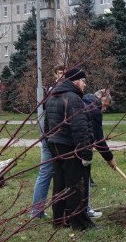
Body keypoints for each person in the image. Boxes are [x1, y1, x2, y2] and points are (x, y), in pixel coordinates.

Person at [43, 67, 94, 230]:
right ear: (75, 81)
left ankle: (59, 220)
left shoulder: (52, 96)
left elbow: (46, 126)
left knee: (60, 183)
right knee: (76, 185)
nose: (85, 85)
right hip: (70, 147)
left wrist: (49, 141)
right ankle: (80, 223)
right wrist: (86, 154)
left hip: (54, 145)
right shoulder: (73, 98)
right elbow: (80, 128)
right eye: (83, 81)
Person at [29, 65, 66, 219]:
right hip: (52, 139)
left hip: (51, 137)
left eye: (65, 74)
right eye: (60, 73)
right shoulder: (54, 93)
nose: (63, 76)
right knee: (46, 173)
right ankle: (37, 211)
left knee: (48, 173)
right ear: (55, 75)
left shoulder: (56, 92)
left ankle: (38, 211)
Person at [83, 89, 117, 219]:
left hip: (73, 145)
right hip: (83, 147)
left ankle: (81, 210)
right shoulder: (95, 111)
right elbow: (99, 139)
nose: (104, 109)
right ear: (100, 99)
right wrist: (110, 158)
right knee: (84, 178)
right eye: (105, 105)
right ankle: (84, 210)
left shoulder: (84, 101)